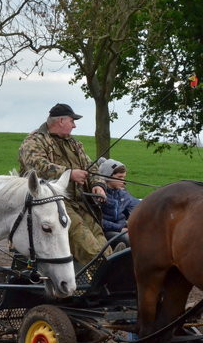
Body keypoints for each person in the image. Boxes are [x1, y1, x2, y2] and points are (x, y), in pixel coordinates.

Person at [18, 103, 109, 265]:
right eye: (72, 121)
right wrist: (69, 173)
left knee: (97, 233)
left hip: (79, 202)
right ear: (61, 120)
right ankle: (105, 266)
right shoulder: (33, 141)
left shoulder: (73, 144)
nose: (74, 125)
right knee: (80, 234)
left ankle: (112, 260)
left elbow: (91, 166)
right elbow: (37, 166)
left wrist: (98, 184)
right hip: (50, 201)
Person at [99, 158, 139, 250]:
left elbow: (139, 206)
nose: (123, 181)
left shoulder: (123, 193)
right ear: (107, 176)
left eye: (124, 177)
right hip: (106, 231)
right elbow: (98, 220)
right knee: (127, 239)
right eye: (119, 177)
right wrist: (120, 228)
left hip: (123, 228)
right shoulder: (99, 194)